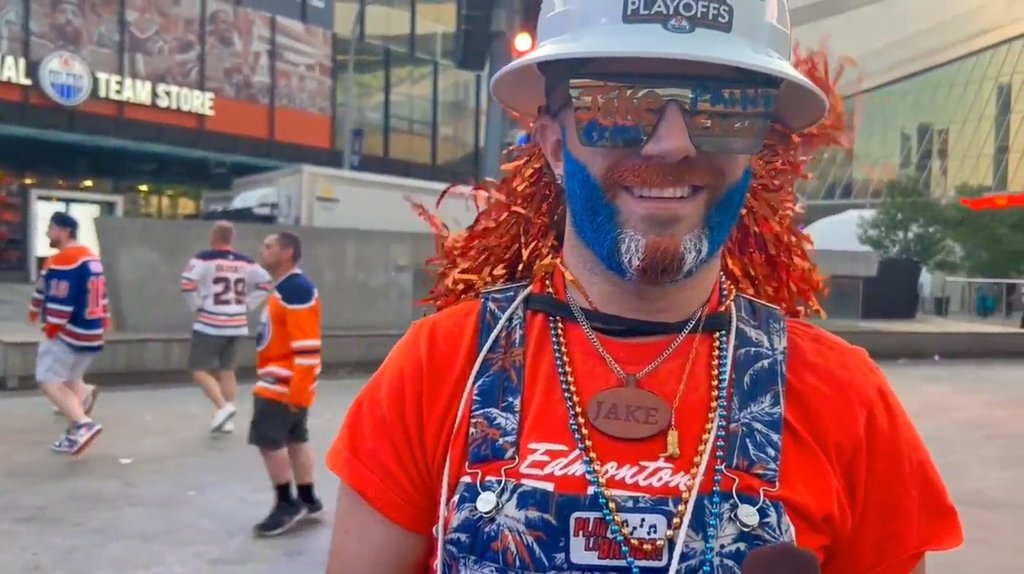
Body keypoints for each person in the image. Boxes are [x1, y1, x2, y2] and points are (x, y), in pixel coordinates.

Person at [325, 1, 963, 573]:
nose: (672, 144)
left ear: (756, 150)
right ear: (553, 145)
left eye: (723, 109)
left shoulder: (846, 401)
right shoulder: (439, 371)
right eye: (618, 105)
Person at [249, 231, 323, 536]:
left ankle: (286, 503)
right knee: (295, 439)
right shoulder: (289, 288)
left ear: (287, 252)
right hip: (288, 382)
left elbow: (307, 345)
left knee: (269, 442)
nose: (263, 251)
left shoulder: (294, 290)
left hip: (281, 384)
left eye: (269, 246)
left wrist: (298, 391)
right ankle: (307, 497)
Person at [180, 221, 272, 433]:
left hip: (210, 323)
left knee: (198, 369)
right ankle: (225, 418)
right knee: (227, 370)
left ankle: (222, 407)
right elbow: (266, 283)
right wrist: (247, 304)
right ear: (231, 238)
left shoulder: (204, 258)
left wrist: (196, 305)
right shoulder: (245, 262)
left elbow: (187, 283)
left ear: (213, 237)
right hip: (237, 323)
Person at [31, 212, 107, 455]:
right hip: (92, 330)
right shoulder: (90, 258)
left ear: (65, 231)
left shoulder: (65, 259)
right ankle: (81, 400)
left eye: (51, 228)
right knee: (70, 379)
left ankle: (83, 424)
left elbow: (60, 296)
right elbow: (101, 295)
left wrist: (51, 325)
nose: (48, 233)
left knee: (49, 380)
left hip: (69, 332)